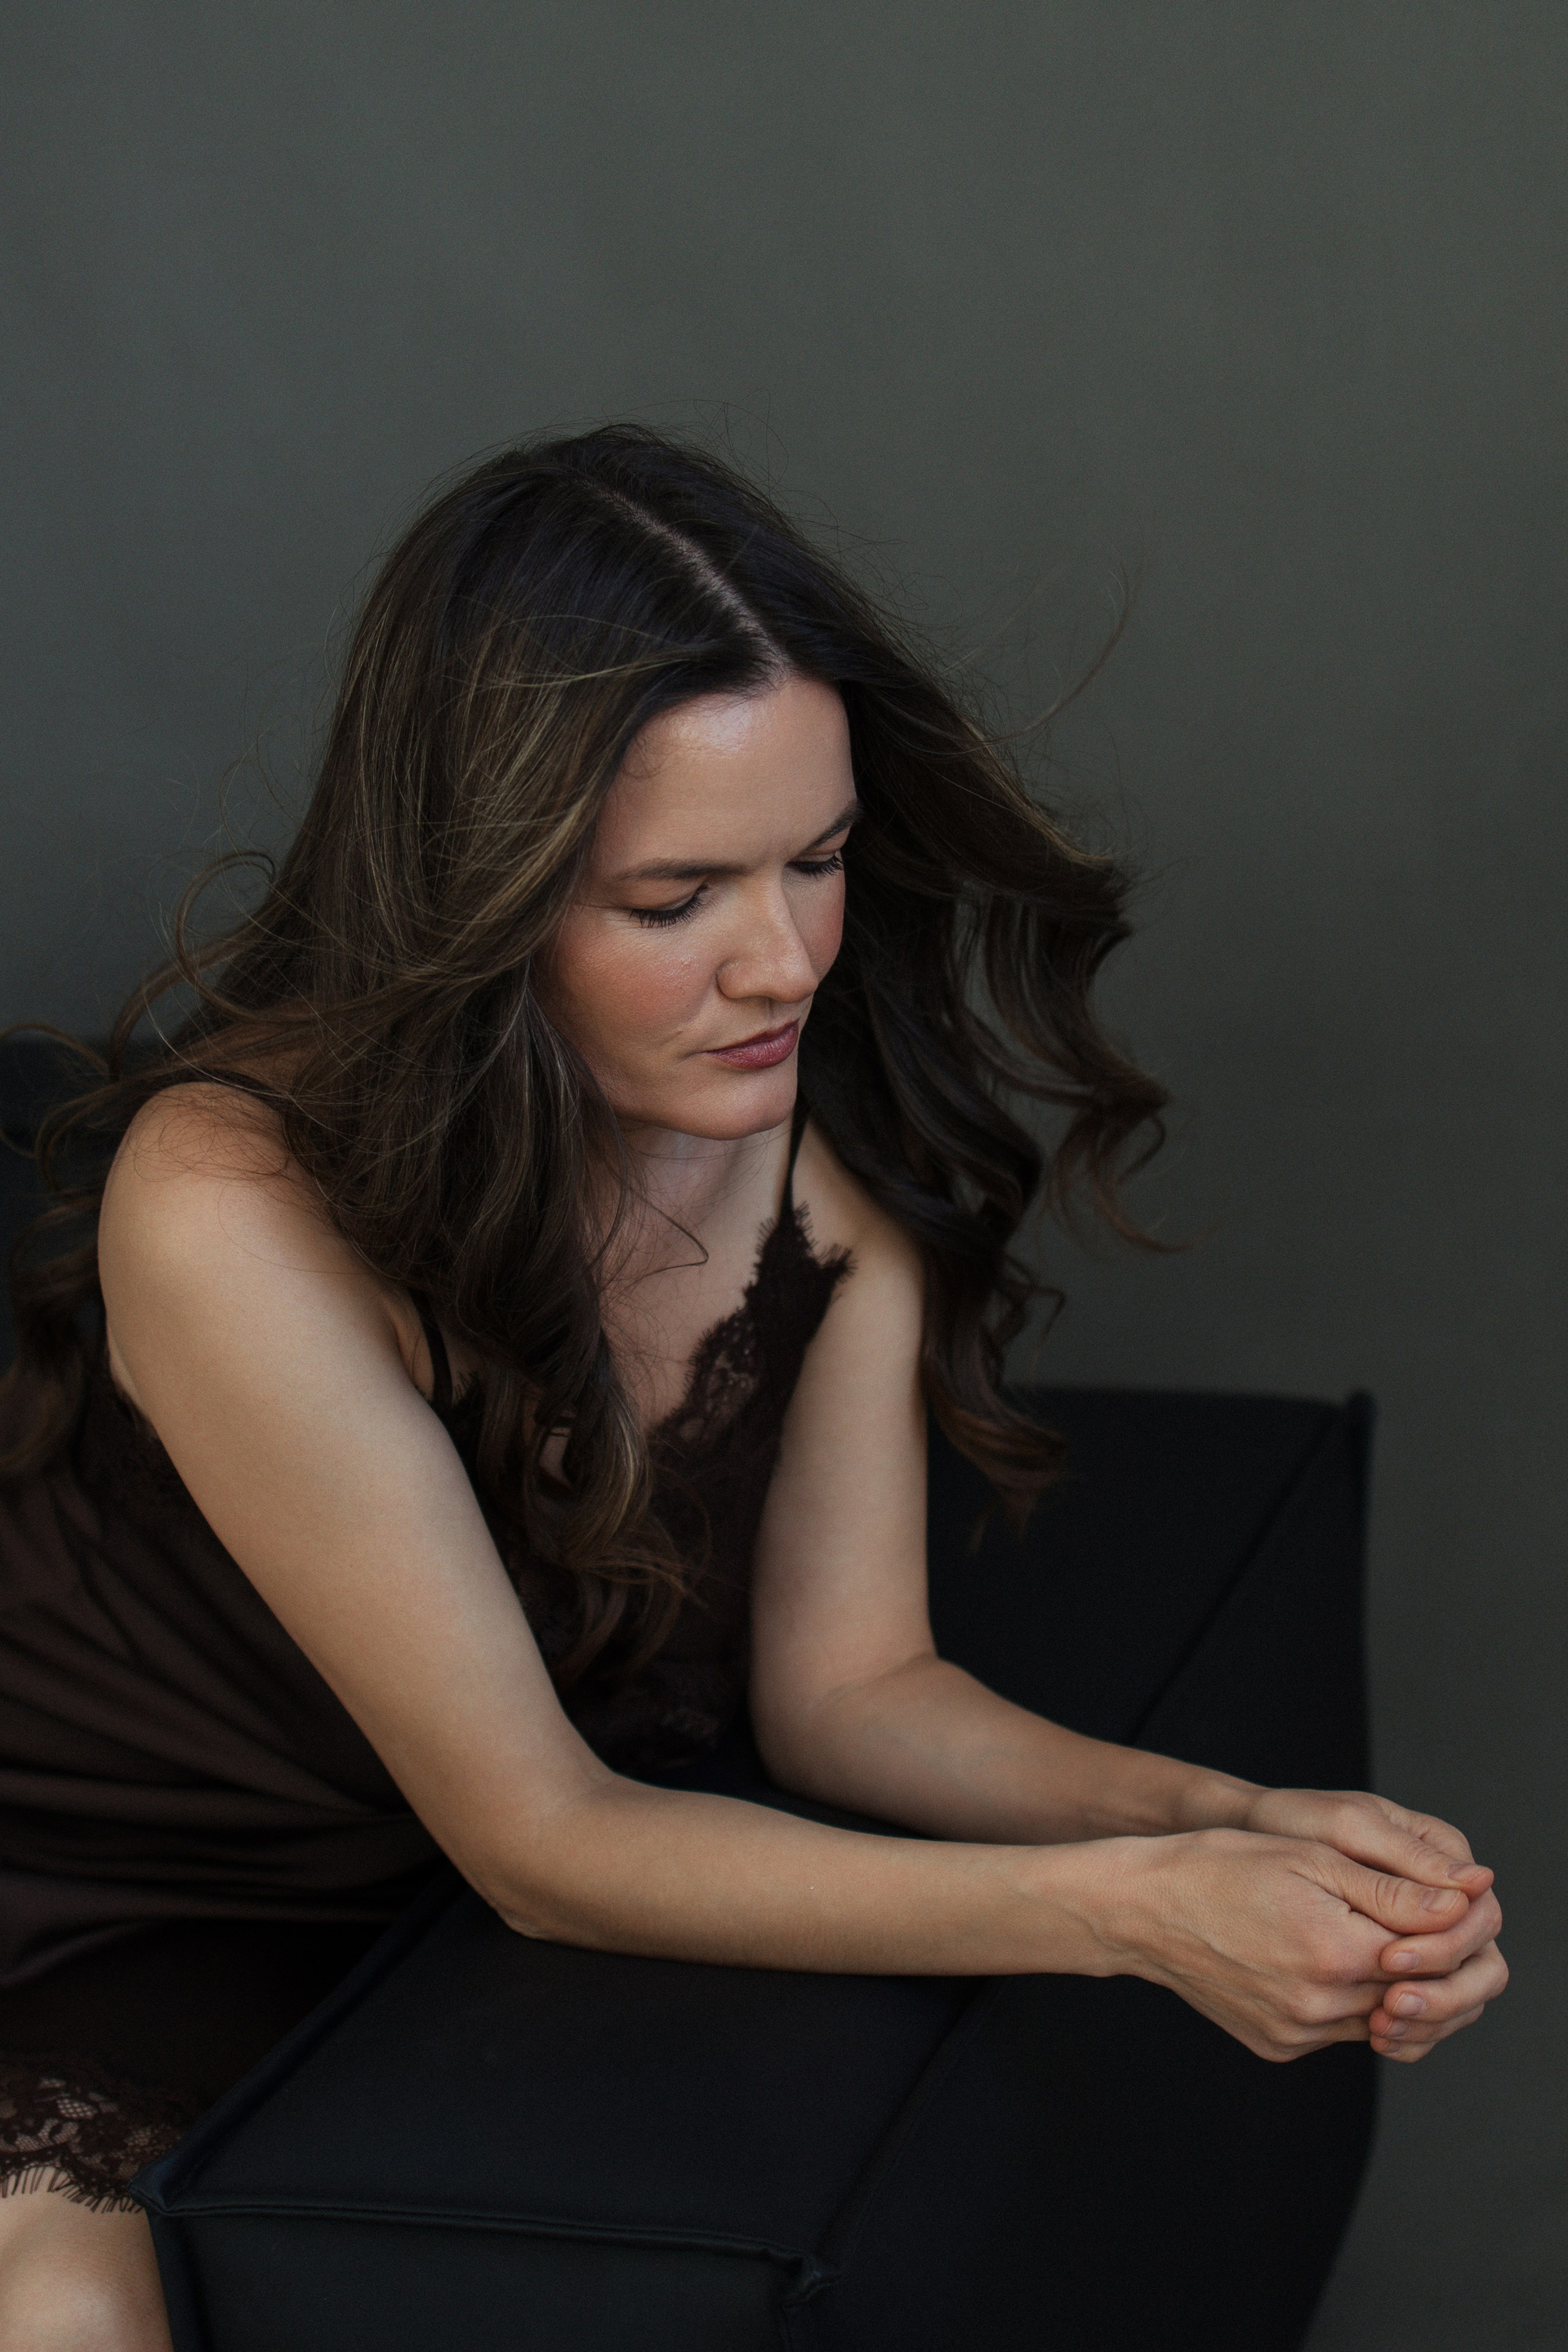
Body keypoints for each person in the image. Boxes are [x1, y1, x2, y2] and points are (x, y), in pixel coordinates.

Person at [0, 426, 1506, 2346]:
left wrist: (1230, 1823)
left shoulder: (816, 1177)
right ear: (476, 898)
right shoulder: (231, 1199)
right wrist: (1137, 1916)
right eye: (674, 901)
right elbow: (545, 1841)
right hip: (110, 1896)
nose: (782, 962)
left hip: (444, 1922)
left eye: (819, 861)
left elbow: (853, 1691)